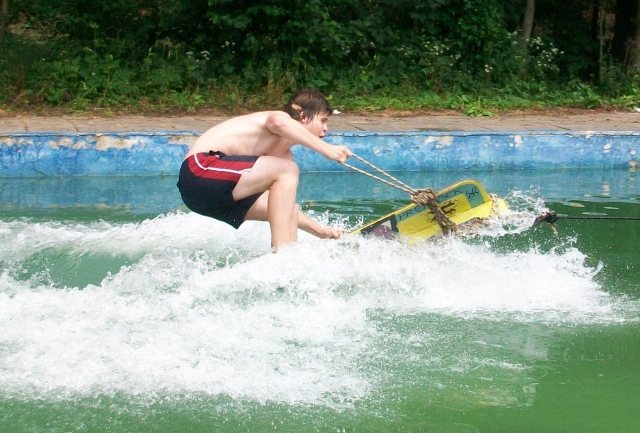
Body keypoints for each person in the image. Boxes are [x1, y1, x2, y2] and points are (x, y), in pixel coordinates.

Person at [177, 89, 352, 251]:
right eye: (323, 120)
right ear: (303, 116)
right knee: (288, 170)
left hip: (205, 199)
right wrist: (326, 149)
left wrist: (322, 232)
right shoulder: (280, 118)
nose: (326, 128)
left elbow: (283, 209)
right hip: (198, 172)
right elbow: (278, 123)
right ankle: (280, 253)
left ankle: (289, 259)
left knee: (287, 206)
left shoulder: (284, 158)